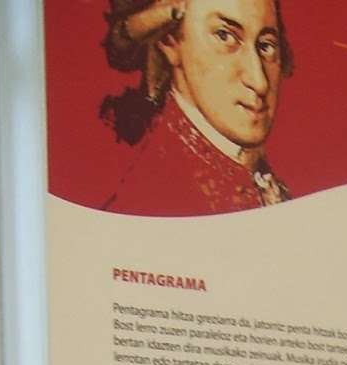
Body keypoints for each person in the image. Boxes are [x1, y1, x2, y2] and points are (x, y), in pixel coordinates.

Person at [101, 0, 294, 215]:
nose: (260, 82)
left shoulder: (261, 175)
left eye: (266, 46)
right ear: (169, 41)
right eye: (224, 36)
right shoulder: (145, 199)